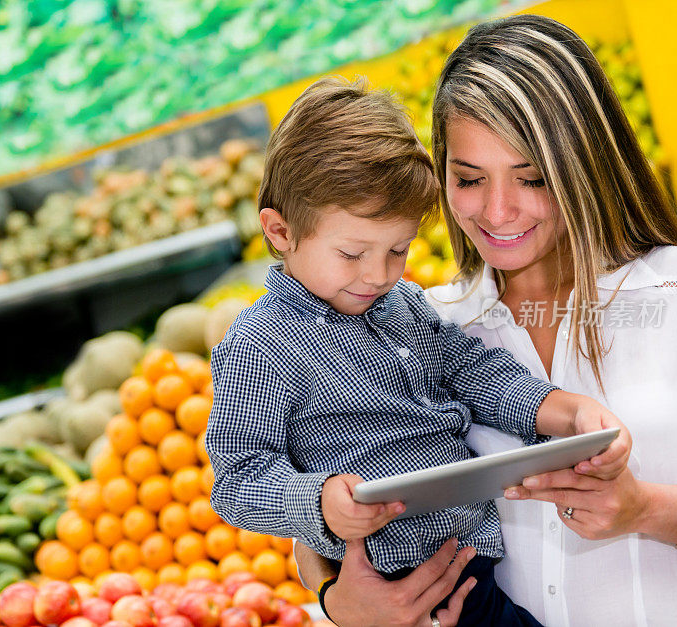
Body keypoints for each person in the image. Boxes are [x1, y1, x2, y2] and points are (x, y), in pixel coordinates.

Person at [294, 14, 677, 627]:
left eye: (532, 178)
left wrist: (645, 509)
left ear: (586, 164)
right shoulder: (416, 326)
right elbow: (325, 503)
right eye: (468, 179)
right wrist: (338, 602)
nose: (498, 210)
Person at [204, 75, 631, 626]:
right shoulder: (260, 346)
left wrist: (563, 410)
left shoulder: (406, 304)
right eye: (353, 253)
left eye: (398, 250)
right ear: (281, 232)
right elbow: (237, 479)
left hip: (473, 555)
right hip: (396, 575)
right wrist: (320, 501)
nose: (379, 274)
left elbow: (474, 372)